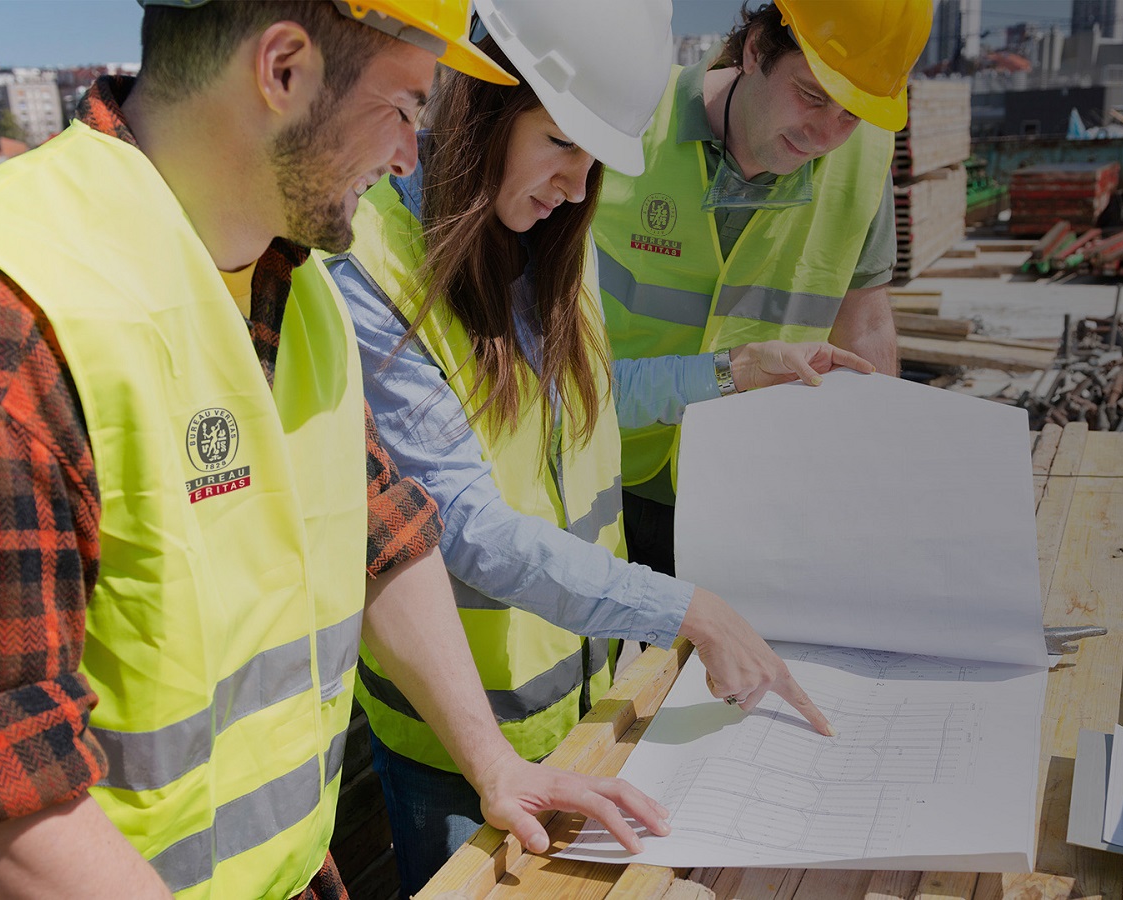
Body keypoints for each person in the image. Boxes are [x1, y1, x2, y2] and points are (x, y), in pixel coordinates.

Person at [0, 3, 668, 898]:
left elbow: (382, 536)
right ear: (285, 69)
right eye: (405, 108)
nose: (410, 156)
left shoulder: (295, 293)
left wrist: (494, 764)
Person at [326, 1, 874, 893]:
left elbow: (586, 404)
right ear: (484, 106)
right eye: (560, 145)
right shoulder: (370, 270)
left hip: (582, 706)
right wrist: (687, 610)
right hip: (464, 746)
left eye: (593, 161)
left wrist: (734, 371)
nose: (576, 189)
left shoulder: (541, 235)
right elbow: (462, 527)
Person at [592, 0, 934, 576]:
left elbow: (867, 324)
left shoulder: (864, 162)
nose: (826, 134)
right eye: (812, 94)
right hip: (598, 460)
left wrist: (878, 477)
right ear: (755, 50)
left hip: (742, 488)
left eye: (851, 113)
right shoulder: (632, 120)